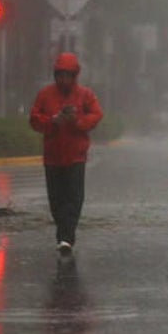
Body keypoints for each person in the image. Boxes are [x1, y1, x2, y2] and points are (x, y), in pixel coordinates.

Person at [30, 52, 103, 255]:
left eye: (68, 75)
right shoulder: (45, 95)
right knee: (56, 199)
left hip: (75, 155)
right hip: (53, 156)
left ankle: (66, 237)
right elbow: (34, 119)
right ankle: (63, 234)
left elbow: (97, 114)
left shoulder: (85, 95)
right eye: (60, 75)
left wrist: (77, 122)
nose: (64, 79)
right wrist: (52, 121)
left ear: (75, 76)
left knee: (74, 197)